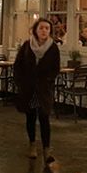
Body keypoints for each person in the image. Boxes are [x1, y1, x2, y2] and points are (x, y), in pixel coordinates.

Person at [13, 18, 60, 165]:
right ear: (36, 30)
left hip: (44, 89)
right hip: (29, 87)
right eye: (41, 28)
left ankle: (47, 150)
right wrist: (20, 82)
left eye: (47, 28)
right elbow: (18, 65)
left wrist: (48, 80)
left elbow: (55, 68)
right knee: (31, 117)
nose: (44, 31)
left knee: (45, 118)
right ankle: (32, 145)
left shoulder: (53, 48)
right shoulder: (27, 46)